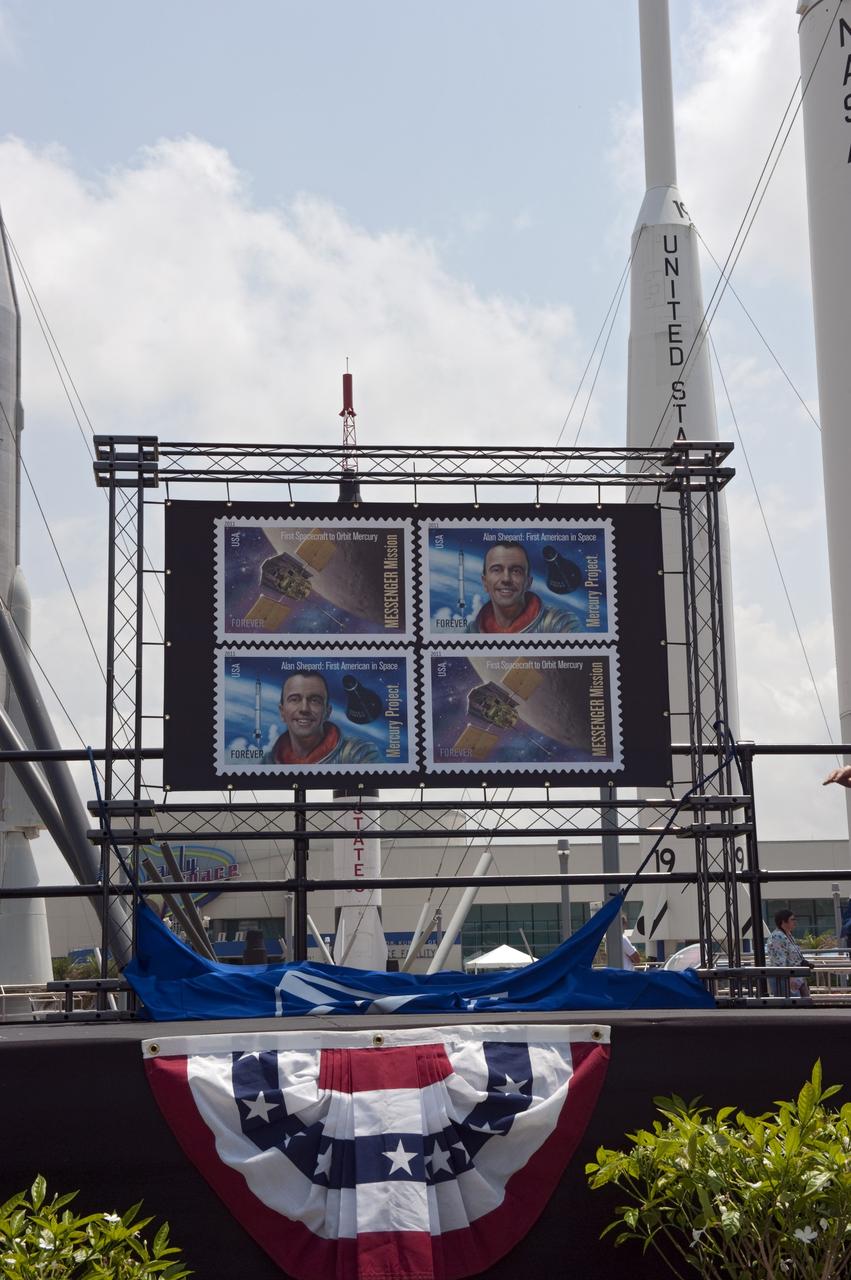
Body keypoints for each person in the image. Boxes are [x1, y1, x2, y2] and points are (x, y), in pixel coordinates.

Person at [466, 540, 582, 634]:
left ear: (528, 582)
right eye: (496, 570)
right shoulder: (473, 632)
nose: (506, 579)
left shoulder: (558, 624)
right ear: (485, 582)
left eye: (516, 571)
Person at [264, 672, 379, 765]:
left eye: (315, 700)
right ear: (282, 712)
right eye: (294, 699)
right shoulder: (268, 763)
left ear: (327, 712)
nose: (304, 709)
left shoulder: (359, 754)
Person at [765, 909, 811, 997]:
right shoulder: (777, 937)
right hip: (786, 979)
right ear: (783, 922)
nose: (795, 922)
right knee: (793, 1005)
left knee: (803, 1004)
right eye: (792, 920)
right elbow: (779, 962)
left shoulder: (787, 935)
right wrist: (790, 978)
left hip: (795, 977)